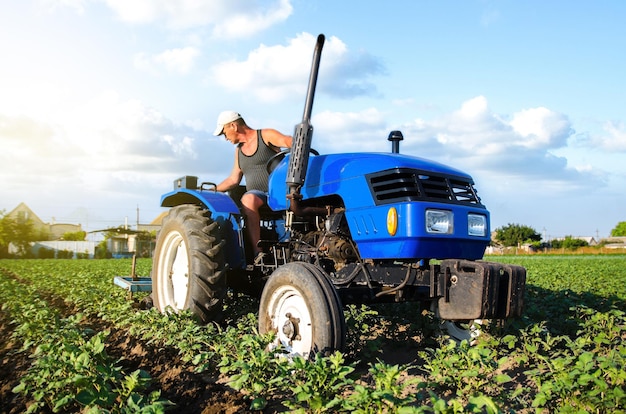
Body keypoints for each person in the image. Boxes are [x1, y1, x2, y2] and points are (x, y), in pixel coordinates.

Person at [213, 111, 292, 262]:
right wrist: (211, 190)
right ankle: (258, 253)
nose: (225, 138)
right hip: (258, 196)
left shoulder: (266, 135)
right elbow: (233, 180)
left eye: (224, 133)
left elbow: (287, 140)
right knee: (248, 199)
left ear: (233, 126)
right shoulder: (239, 151)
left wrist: (295, 143)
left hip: (278, 193)